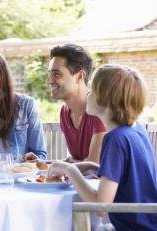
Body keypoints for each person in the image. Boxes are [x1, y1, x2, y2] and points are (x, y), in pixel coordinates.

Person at [48, 64, 157, 230]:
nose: (88, 94)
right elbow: (128, 175)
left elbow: (101, 206)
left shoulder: (115, 139)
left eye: (92, 90)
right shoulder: (136, 130)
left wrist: (70, 170)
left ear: (105, 100)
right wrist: (91, 166)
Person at [47, 44, 106, 164]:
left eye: (56, 74)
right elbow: (77, 162)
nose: (49, 81)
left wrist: (72, 163)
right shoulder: (64, 112)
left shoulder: (99, 110)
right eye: (49, 74)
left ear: (80, 76)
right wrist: (41, 164)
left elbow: (92, 168)